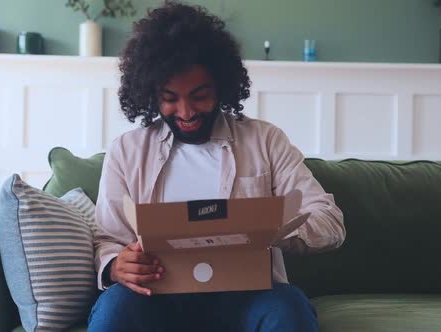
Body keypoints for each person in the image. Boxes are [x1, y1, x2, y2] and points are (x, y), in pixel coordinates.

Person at [89, 2, 345, 331]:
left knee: (289, 308)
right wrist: (115, 266)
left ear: (221, 87)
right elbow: (106, 238)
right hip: (157, 296)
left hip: (248, 295)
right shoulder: (126, 150)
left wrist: (275, 227)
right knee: (114, 310)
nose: (186, 111)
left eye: (200, 95)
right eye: (170, 97)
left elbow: (329, 220)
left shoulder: (265, 140)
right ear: (150, 93)